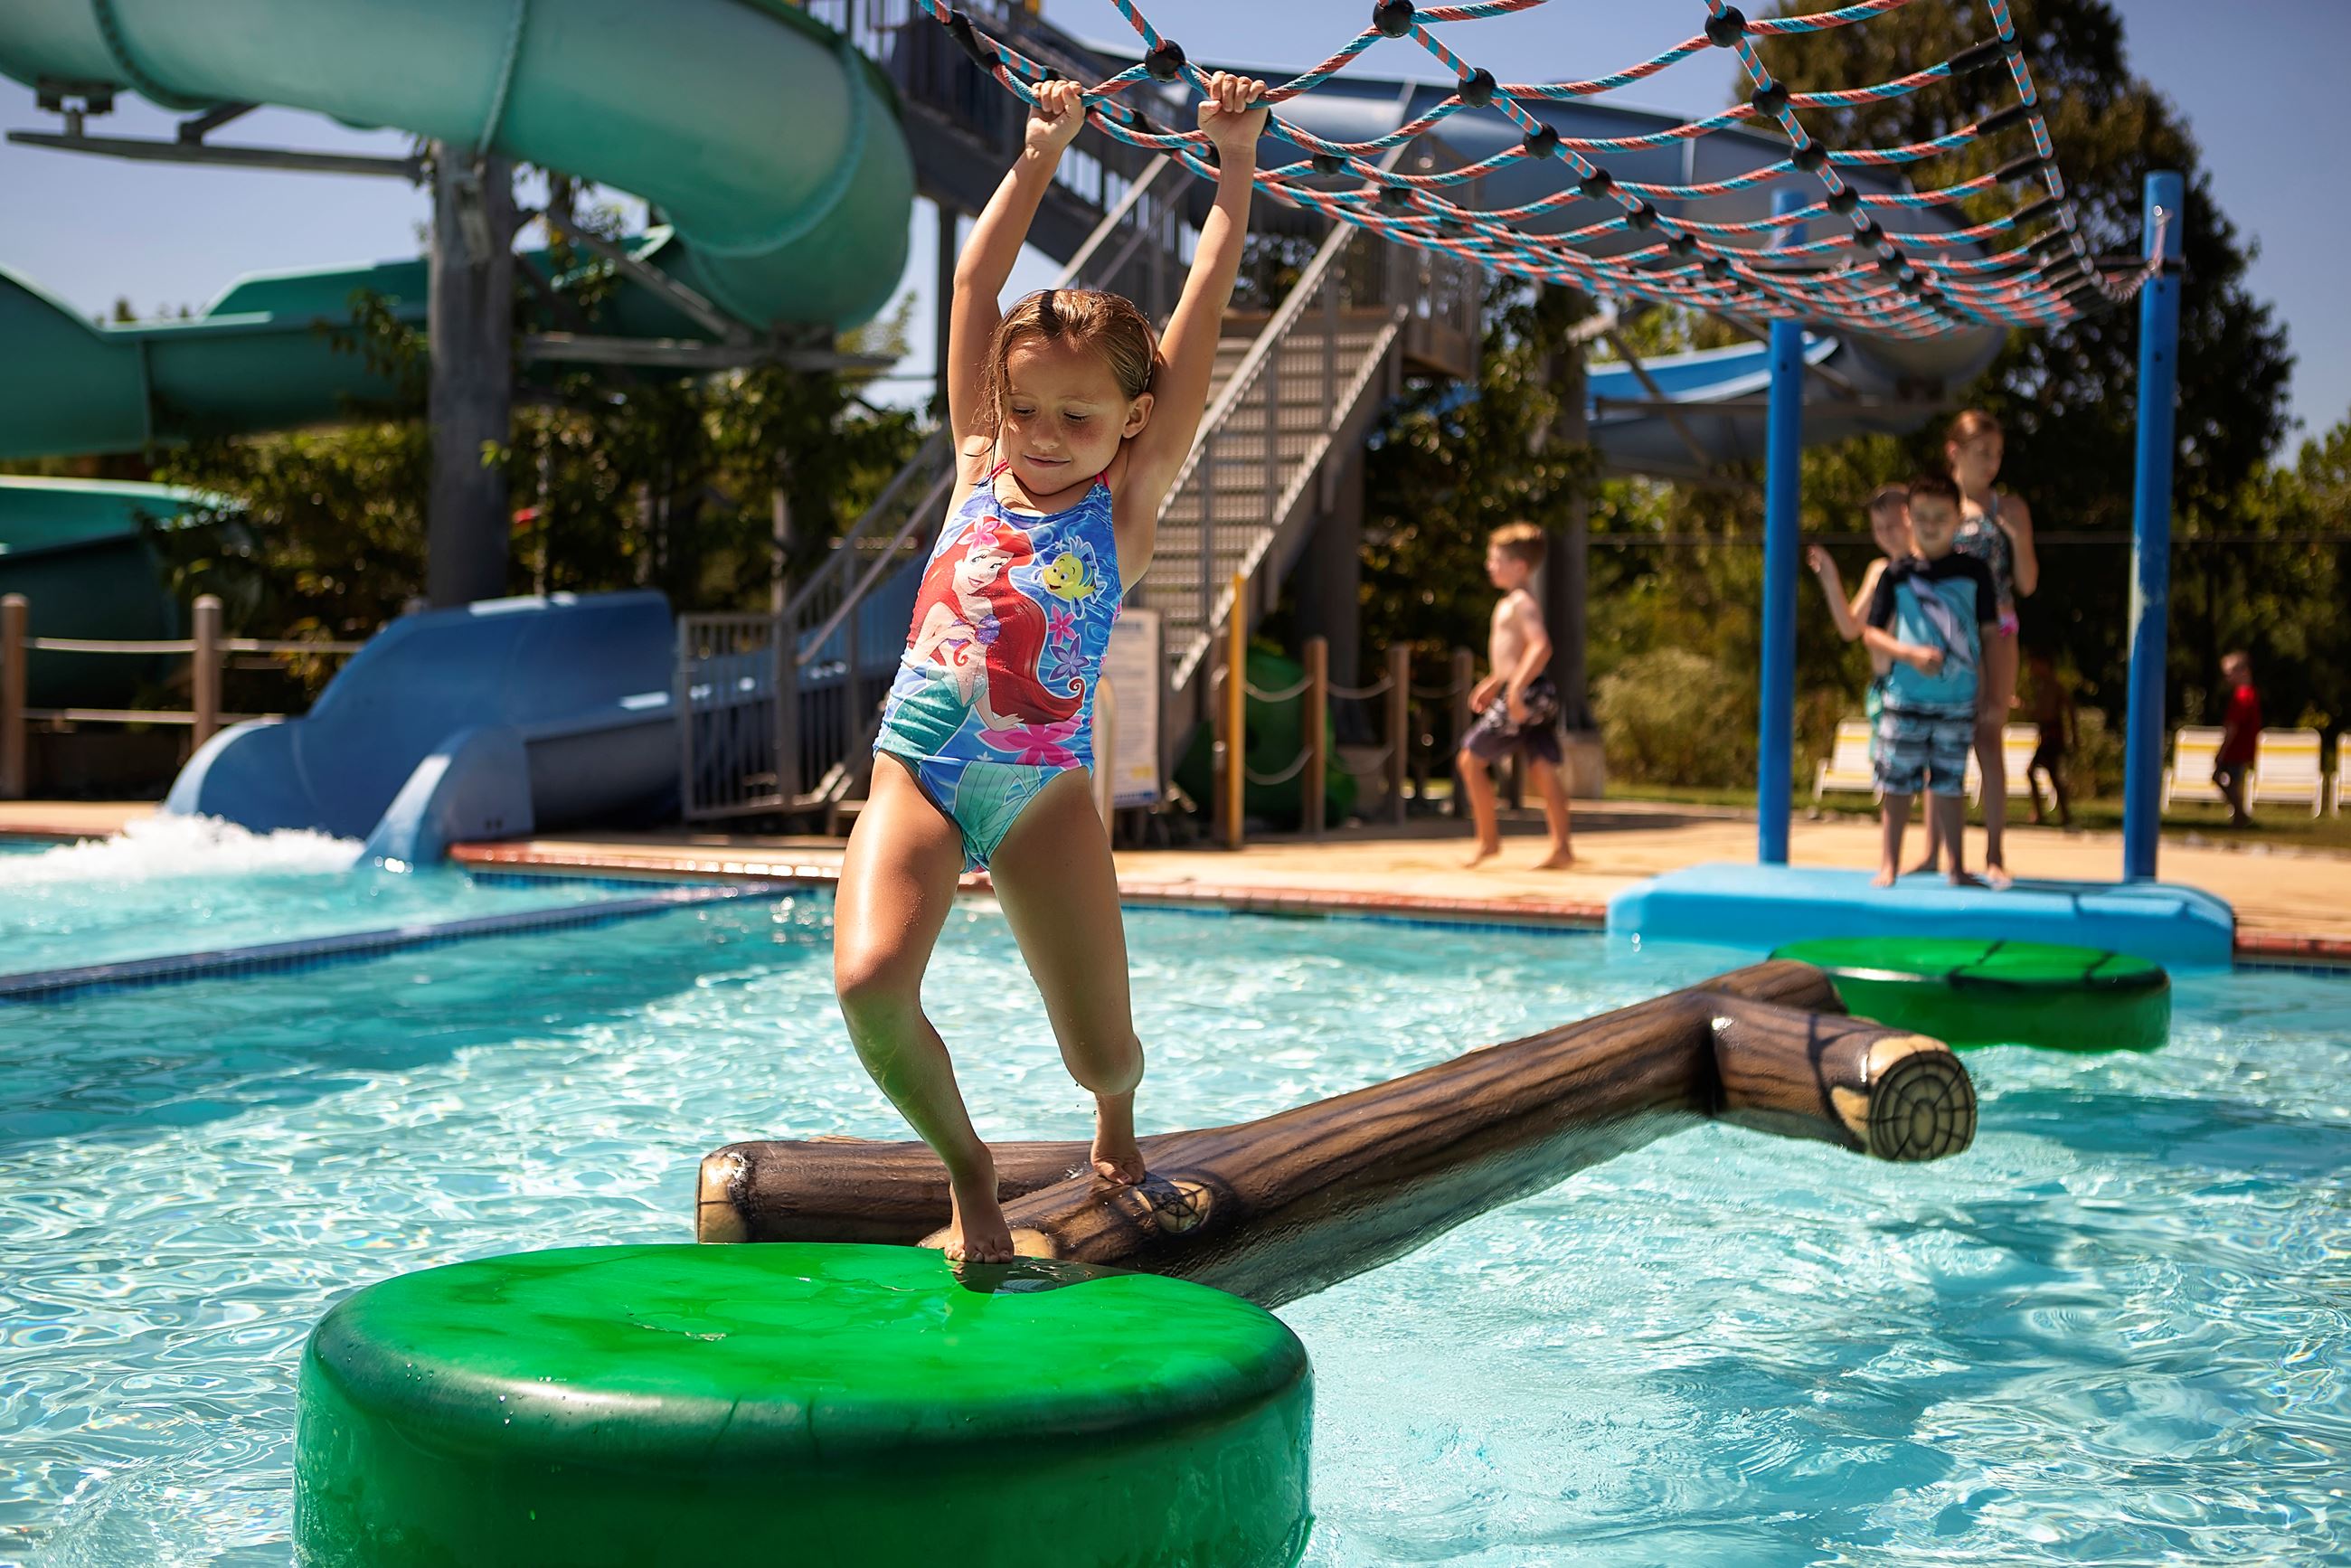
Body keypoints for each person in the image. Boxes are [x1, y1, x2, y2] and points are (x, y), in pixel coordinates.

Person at [832, 71, 1271, 1262]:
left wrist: (1231, 163)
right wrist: (1036, 153)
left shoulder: (1124, 507)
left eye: (1079, 418)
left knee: (1104, 1047)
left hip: (1040, 789)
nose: (1044, 435)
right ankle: (968, 1167)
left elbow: (1204, 310)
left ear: (1132, 422)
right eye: (1029, 409)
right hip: (919, 766)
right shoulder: (978, 460)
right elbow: (977, 285)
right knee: (872, 980)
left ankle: (1115, 1119)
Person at [1862, 474, 1999, 887]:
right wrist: (1909, 655)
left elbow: (1990, 635)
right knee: (1897, 782)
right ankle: (1889, 863)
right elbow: (1871, 632)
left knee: (1950, 783)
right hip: (1904, 698)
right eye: (1922, 515)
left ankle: (1956, 867)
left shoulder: (1976, 572)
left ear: (1959, 518)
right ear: (1909, 516)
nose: (1931, 523)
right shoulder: (1896, 573)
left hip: (1958, 700)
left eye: (1942, 516)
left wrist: (1989, 691)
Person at [1808, 483, 1941, 866]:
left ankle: (1932, 853)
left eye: (1894, 526)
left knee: (1935, 772)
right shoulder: (1879, 569)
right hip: (1888, 688)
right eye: (1878, 528)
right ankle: (1892, 858)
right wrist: (1831, 580)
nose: (1886, 535)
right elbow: (1851, 628)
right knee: (1894, 774)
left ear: (1913, 520)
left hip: (1925, 682)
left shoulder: (1934, 568)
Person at [1947, 409, 2038, 888]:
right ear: (1954, 453)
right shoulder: (1938, 509)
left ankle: (1995, 852)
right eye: (1982, 453)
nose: (1991, 463)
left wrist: (2019, 539)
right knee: (1944, 739)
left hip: (1998, 631)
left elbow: (2026, 582)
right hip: (1950, 635)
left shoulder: (2012, 509)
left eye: (1997, 454)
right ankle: (1937, 852)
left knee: (1988, 735)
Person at [1457, 522, 1575, 870]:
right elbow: (1516, 655)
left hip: (1525, 694)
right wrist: (1494, 682)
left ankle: (1488, 842)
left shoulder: (1521, 603)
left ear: (1519, 566)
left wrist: (1515, 691)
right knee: (1541, 766)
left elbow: (1541, 647)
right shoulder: (1513, 602)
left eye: (1496, 560)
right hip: (1530, 692)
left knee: (1469, 759)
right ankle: (1562, 848)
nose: (1489, 566)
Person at [2022, 647, 2075, 827]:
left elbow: (2068, 710)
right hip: (2045, 733)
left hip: (2052, 734)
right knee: (2049, 774)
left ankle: (2051, 813)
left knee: (2039, 772)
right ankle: (2055, 813)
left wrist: (2074, 736)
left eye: (2034, 664)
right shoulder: (2041, 686)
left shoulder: (2054, 686)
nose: (2031, 668)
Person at [2214, 649, 2261, 827]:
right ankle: (2240, 815)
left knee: (2225, 779)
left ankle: (2240, 816)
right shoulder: (2250, 694)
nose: (2227, 677)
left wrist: (2222, 751)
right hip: (2241, 748)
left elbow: (2232, 727)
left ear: (2244, 671)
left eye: (2230, 672)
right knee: (2231, 782)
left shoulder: (2243, 696)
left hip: (2236, 749)